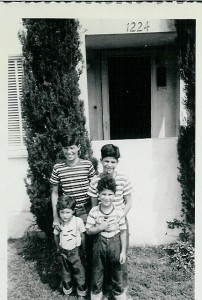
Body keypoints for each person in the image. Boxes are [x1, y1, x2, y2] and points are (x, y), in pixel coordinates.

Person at [88, 144, 133, 298]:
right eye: (106, 161)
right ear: (101, 161)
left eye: (113, 162)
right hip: (100, 223)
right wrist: (98, 223)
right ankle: (102, 288)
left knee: (120, 257)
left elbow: (128, 202)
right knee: (100, 258)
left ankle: (122, 289)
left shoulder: (123, 179)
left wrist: (119, 217)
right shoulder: (95, 181)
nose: (109, 165)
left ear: (117, 162)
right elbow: (94, 205)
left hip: (119, 221)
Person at [86, 175, 127, 300]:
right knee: (97, 270)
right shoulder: (94, 211)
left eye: (110, 194)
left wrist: (123, 251)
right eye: (103, 194)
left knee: (117, 270)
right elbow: (88, 230)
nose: (106, 198)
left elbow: (123, 232)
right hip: (99, 244)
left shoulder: (119, 212)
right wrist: (100, 228)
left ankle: (119, 293)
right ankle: (96, 293)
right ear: (98, 195)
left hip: (115, 243)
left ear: (114, 195)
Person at [50, 134, 96, 226]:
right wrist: (55, 216)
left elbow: (94, 189)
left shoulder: (87, 165)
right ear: (62, 149)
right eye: (66, 148)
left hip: (86, 210)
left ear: (78, 147)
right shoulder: (58, 168)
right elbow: (54, 193)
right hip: (67, 211)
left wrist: (94, 212)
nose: (69, 151)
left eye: (72, 148)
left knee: (86, 238)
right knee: (69, 238)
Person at [54, 194, 87, 299]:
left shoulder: (78, 221)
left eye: (68, 212)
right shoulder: (59, 223)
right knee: (65, 272)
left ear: (73, 210)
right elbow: (55, 235)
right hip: (63, 251)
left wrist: (83, 249)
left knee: (80, 272)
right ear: (59, 212)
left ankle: (81, 293)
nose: (65, 215)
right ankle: (67, 291)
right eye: (62, 212)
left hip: (76, 251)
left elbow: (83, 235)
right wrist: (58, 247)